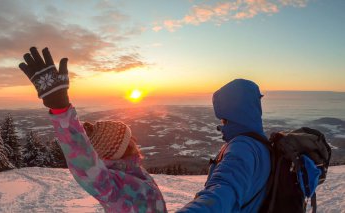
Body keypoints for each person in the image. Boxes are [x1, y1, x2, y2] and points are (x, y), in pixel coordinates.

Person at [18, 47, 167, 213]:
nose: (134, 142)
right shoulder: (114, 187)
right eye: (128, 139)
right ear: (120, 149)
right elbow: (84, 164)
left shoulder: (134, 171)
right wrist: (61, 110)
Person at [177, 79, 271, 213]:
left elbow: (221, 193)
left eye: (223, 118)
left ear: (233, 114)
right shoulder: (259, 144)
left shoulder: (242, 148)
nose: (222, 124)